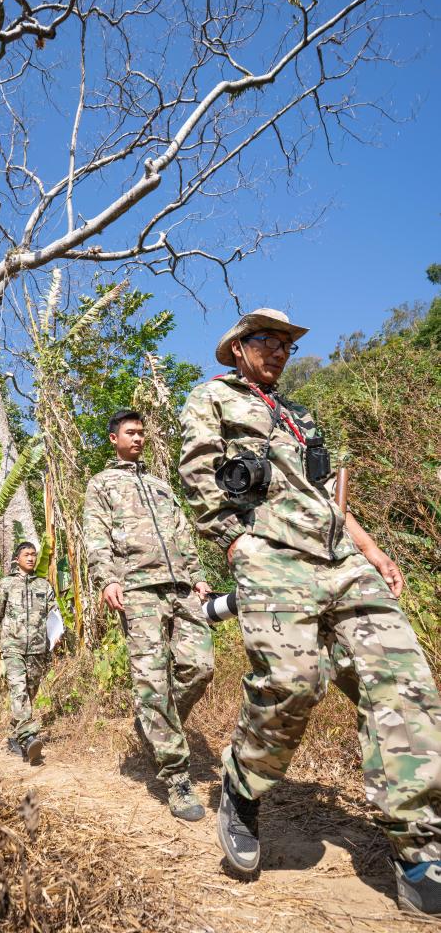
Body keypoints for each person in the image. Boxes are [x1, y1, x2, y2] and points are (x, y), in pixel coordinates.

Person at [178, 307, 441, 915]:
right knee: (293, 684)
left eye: (287, 344)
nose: (278, 350)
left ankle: (420, 849)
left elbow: (326, 498)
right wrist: (236, 543)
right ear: (239, 347)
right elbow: (197, 471)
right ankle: (242, 788)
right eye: (266, 340)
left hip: (342, 560)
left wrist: (371, 550)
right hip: (273, 557)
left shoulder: (298, 415)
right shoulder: (212, 398)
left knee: (404, 687)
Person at [83, 408, 214, 821]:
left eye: (142, 432)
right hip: (137, 589)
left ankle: (153, 722)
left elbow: (181, 532)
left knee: (200, 667)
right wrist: (107, 579)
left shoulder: (160, 485)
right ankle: (175, 776)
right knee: (152, 680)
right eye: (130, 432)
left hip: (181, 587)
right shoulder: (101, 484)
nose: (138, 438)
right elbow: (96, 535)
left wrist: (197, 576)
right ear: (114, 438)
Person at [0, 541, 55, 765]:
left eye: (33, 554)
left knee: (29, 692)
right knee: (18, 689)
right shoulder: (6, 584)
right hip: (12, 646)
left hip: (38, 649)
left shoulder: (44, 585)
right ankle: (29, 739)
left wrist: (58, 633)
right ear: (17, 559)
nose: (31, 558)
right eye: (26, 555)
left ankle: (14, 735)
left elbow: (54, 614)